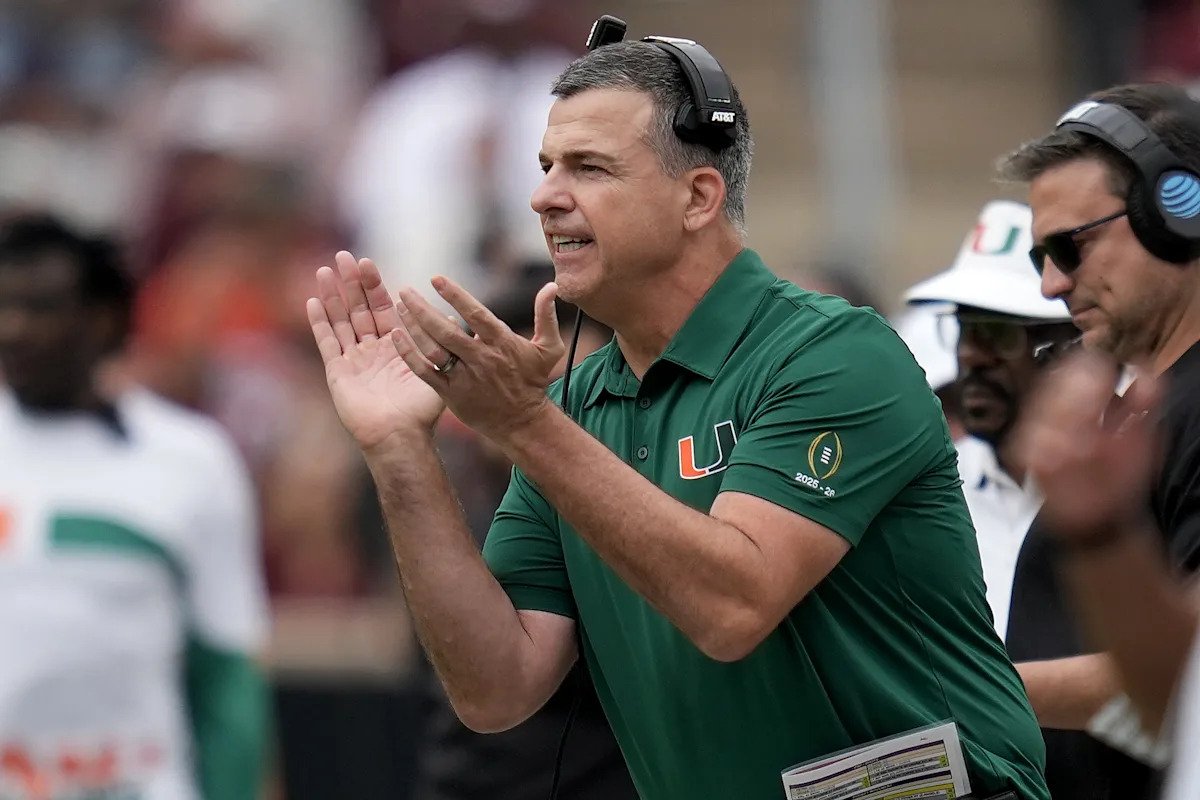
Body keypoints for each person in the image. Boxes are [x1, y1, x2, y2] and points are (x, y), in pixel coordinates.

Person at [309, 36, 1049, 800]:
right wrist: (399, 449)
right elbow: (497, 689)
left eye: (589, 168)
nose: (544, 197)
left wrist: (524, 426)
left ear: (698, 197)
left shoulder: (836, 353)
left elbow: (734, 607)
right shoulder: (571, 407)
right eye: (547, 167)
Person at [0, 214, 269, 799]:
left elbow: (226, 674)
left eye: (40, 308)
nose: (14, 328)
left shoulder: (192, 460)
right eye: (5, 306)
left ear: (102, 319)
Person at [997, 82, 1200, 800]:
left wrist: (971, 694)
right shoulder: (1149, 408)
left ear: (1178, 213)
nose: (1051, 285)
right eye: (1039, 259)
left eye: (1070, 247)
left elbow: (1192, 672)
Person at [411, 264, 635, 800]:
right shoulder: (446, 506)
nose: (530, 403)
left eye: (556, 388)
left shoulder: (661, 497)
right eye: (503, 382)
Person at [904, 200, 1078, 636]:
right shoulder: (921, 491)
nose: (969, 355)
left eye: (997, 332)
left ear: (1068, 345)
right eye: (963, 329)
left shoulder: (1125, 486)